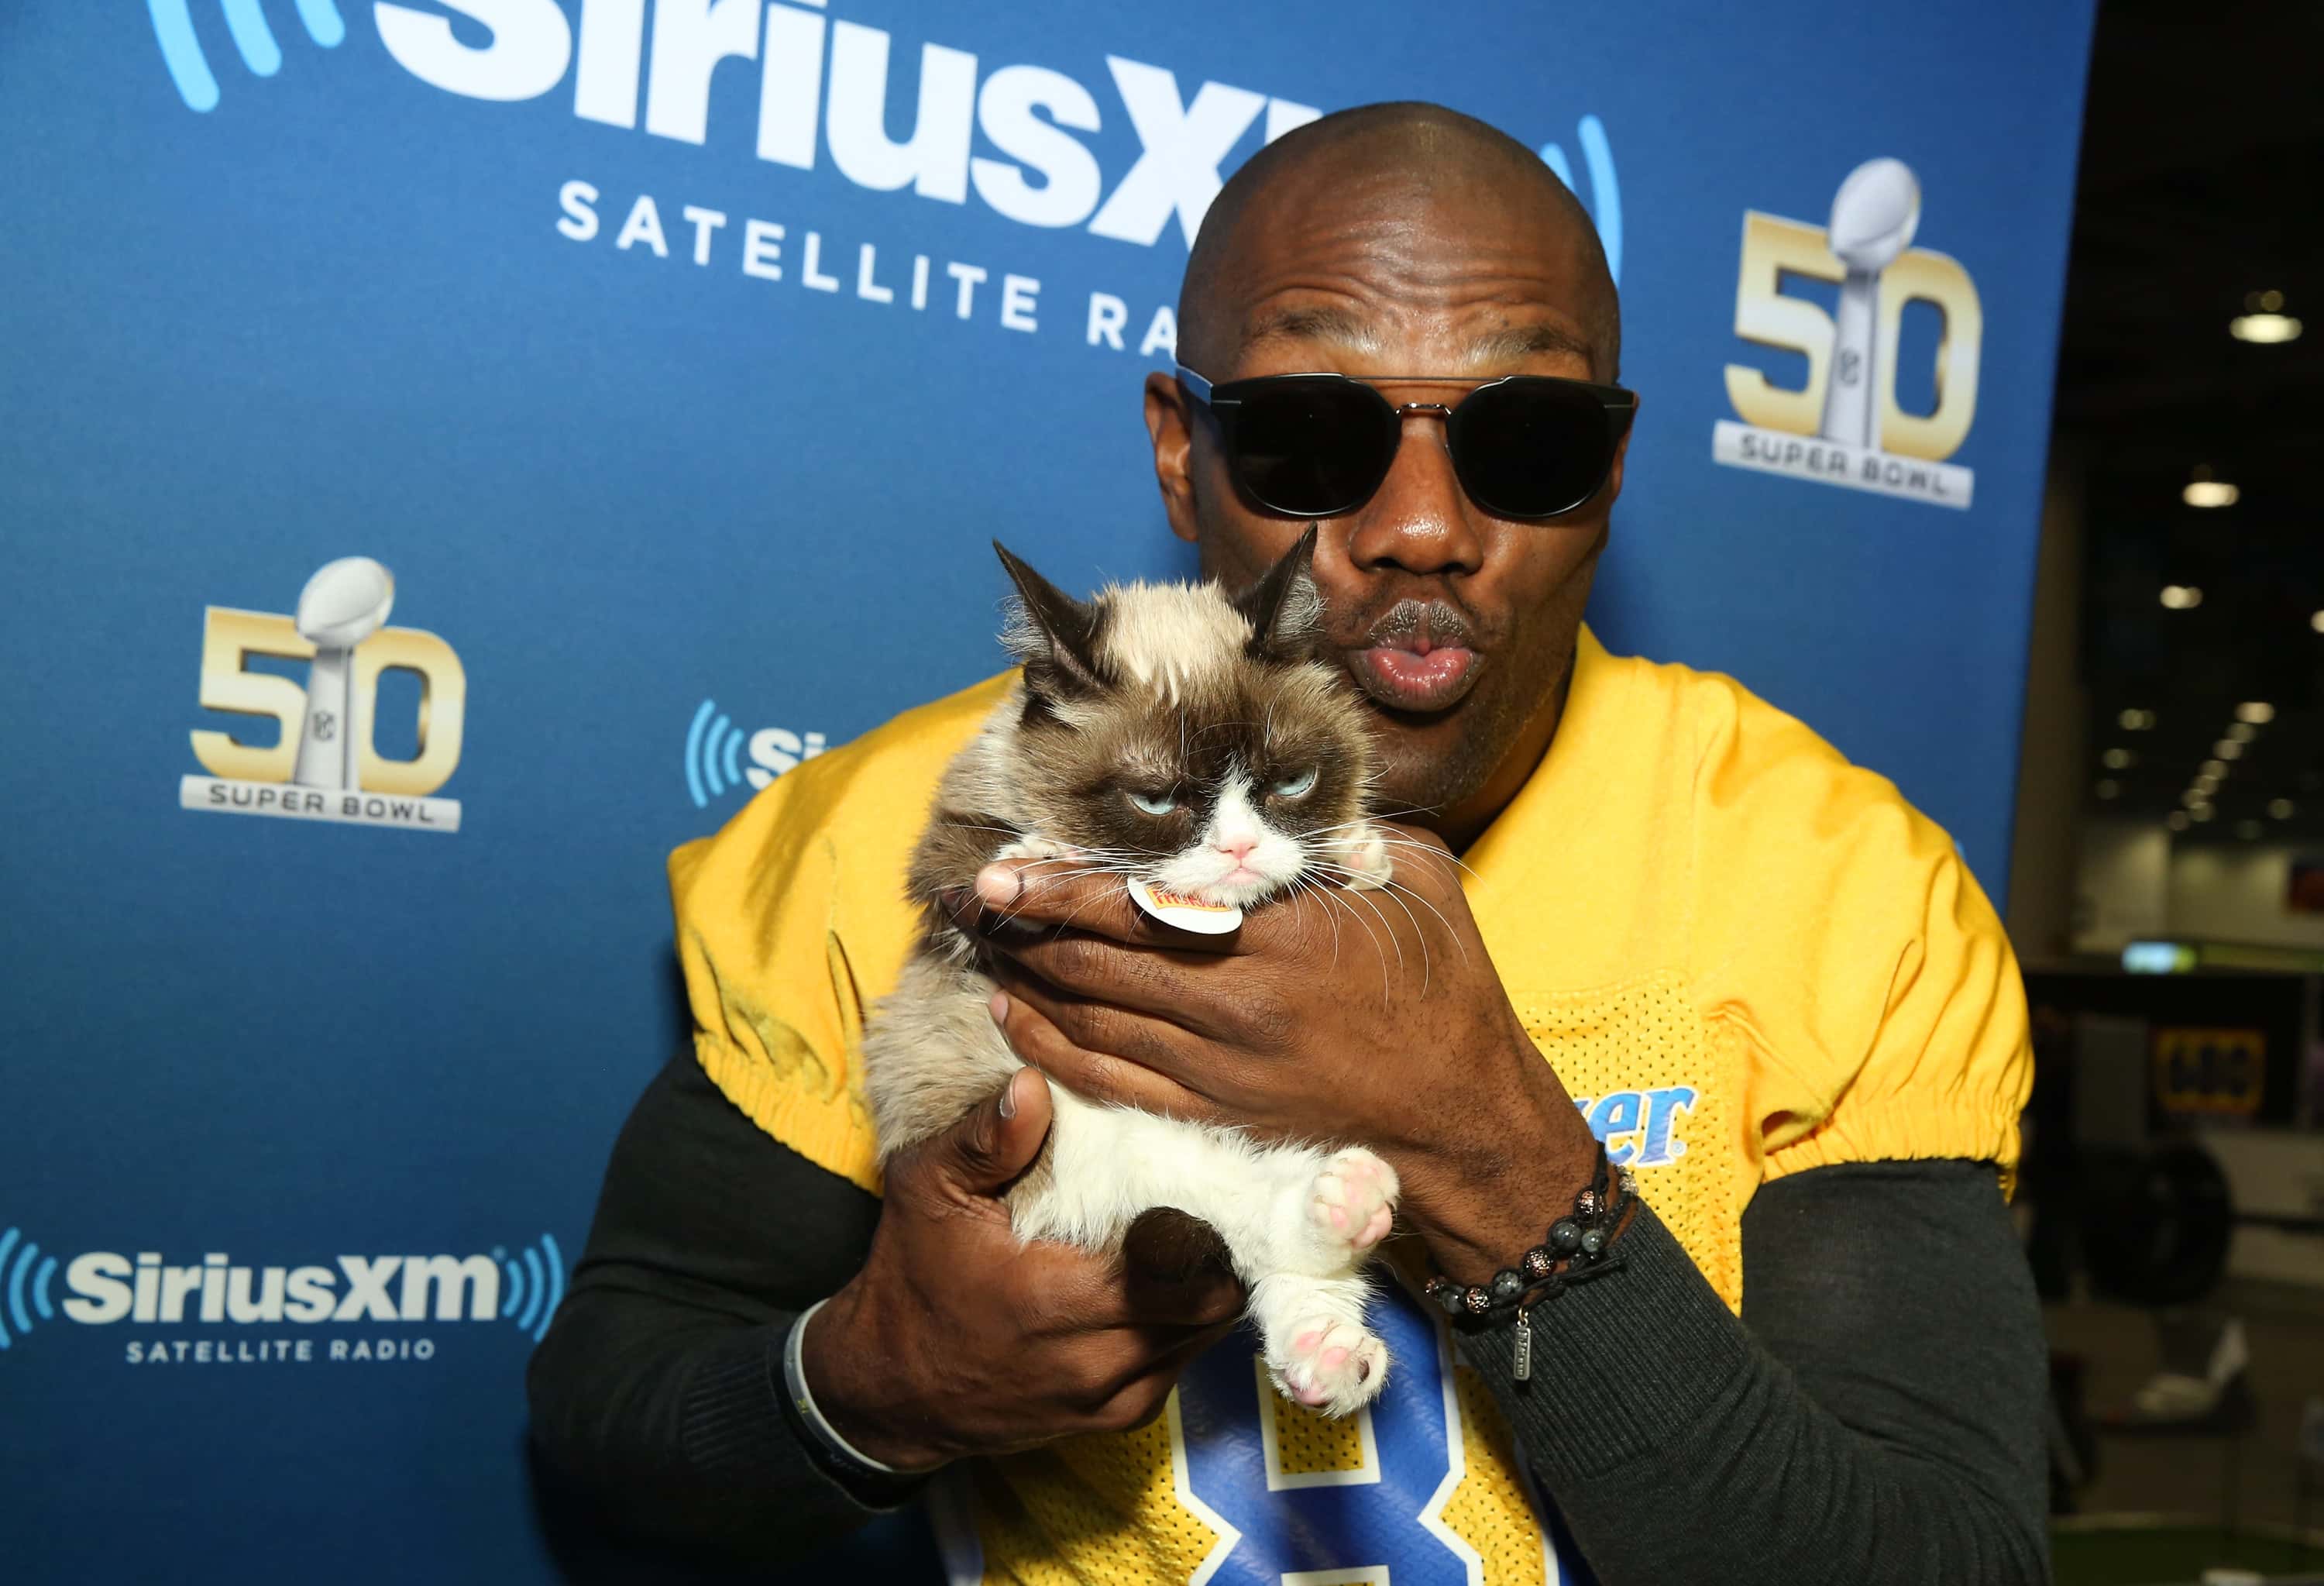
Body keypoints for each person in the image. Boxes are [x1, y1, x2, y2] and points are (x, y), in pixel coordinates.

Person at [528, 103, 2049, 1584]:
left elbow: (1948, 1559)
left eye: (1528, 439)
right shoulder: (900, 845)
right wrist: (881, 1383)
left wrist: (1488, 1150)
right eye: (1314, 436)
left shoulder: (1842, 892)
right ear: (1179, 451)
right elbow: (610, 1430)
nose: (1421, 527)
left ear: (1612, 470)